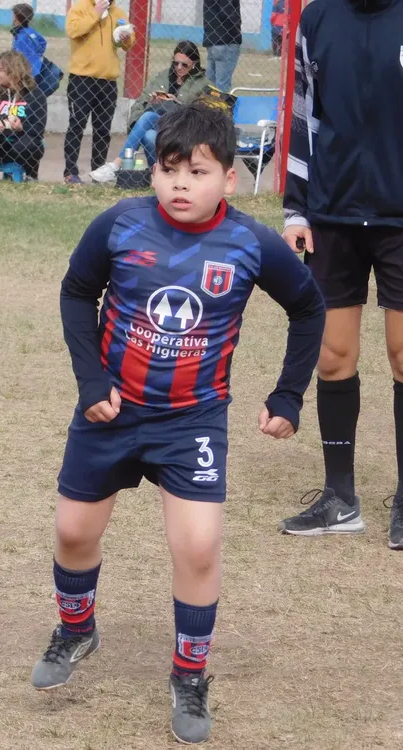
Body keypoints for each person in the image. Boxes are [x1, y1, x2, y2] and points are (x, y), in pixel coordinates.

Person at [30, 103, 325, 745]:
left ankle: (190, 675)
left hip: (191, 422)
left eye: (198, 170)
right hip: (111, 414)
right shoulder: (118, 224)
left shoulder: (250, 242)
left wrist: (289, 395)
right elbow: (77, 292)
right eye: (168, 170)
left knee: (197, 545)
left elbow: (308, 307)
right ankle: (77, 628)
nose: (181, 184)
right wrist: (90, 382)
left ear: (229, 177)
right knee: (72, 531)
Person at [277, 0, 403, 548]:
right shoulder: (317, 18)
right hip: (332, 214)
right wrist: (297, 209)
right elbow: (304, 116)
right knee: (332, 356)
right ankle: (339, 498)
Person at [90, 41, 208, 183]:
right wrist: (151, 103)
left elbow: (203, 114)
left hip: (183, 130)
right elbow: (138, 105)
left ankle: (116, 164)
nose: (179, 67)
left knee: (149, 118)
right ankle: (160, 174)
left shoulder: (203, 84)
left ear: (194, 63)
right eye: (176, 63)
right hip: (160, 127)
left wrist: (178, 104)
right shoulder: (161, 77)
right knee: (149, 133)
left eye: (184, 65)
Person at [63, 0, 134, 184]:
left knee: (103, 129)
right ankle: (70, 171)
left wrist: (126, 38)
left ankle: (97, 171)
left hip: (108, 81)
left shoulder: (117, 12)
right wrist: (95, 13)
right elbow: (73, 31)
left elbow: (128, 44)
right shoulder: (80, 8)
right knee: (76, 125)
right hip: (82, 78)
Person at [0, 51, 46, 179]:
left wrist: (21, 127)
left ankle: (31, 176)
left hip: (20, 144)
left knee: (32, 144)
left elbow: (39, 128)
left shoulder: (35, 94)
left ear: (14, 73)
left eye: (1, 70)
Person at [202, 0, 240, 93]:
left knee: (210, 83)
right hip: (226, 39)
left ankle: (207, 105)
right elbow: (226, 11)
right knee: (222, 86)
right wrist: (236, 29)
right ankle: (219, 106)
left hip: (212, 39)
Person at [10, 3, 45, 78]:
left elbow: (19, 58)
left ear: (16, 18)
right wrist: (37, 56)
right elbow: (43, 42)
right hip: (37, 69)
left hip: (27, 74)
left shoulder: (22, 37)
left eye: (13, 15)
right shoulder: (31, 31)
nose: (12, 17)